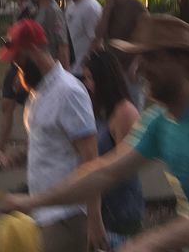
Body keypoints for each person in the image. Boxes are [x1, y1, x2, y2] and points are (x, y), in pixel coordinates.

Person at [0, 14, 189, 252]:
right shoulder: (159, 122)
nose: (140, 68)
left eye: (152, 57)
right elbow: (104, 172)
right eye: (139, 57)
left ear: (185, 64)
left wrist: (146, 243)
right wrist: (35, 200)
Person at [0, 19, 104, 252]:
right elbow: (41, 143)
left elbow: (91, 160)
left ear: (32, 51)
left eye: (18, 60)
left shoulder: (68, 92)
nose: (17, 68)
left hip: (67, 216)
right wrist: (10, 157)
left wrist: (94, 220)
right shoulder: (38, 93)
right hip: (43, 213)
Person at [81, 48, 143, 247]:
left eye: (89, 78)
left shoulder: (125, 113)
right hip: (100, 206)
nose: (86, 84)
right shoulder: (97, 111)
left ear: (103, 78)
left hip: (120, 211)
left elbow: (126, 167)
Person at [91, 0, 147, 103]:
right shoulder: (107, 8)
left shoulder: (135, 5)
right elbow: (98, 35)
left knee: (134, 110)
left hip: (132, 70)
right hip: (114, 70)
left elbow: (147, 36)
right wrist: (108, 8)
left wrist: (136, 63)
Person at [0, 0, 38, 151]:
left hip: (26, 62)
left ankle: (32, 146)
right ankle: (1, 146)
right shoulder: (19, 7)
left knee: (31, 107)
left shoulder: (33, 8)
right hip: (16, 60)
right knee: (7, 103)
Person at [58, 0, 102, 76]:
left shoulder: (90, 7)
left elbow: (97, 40)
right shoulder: (70, 6)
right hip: (72, 69)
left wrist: (86, 63)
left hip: (85, 71)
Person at [24, 0, 70, 70]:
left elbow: (62, 46)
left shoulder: (53, 11)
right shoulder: (38, 10)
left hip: (53, 69)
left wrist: (65, 75)